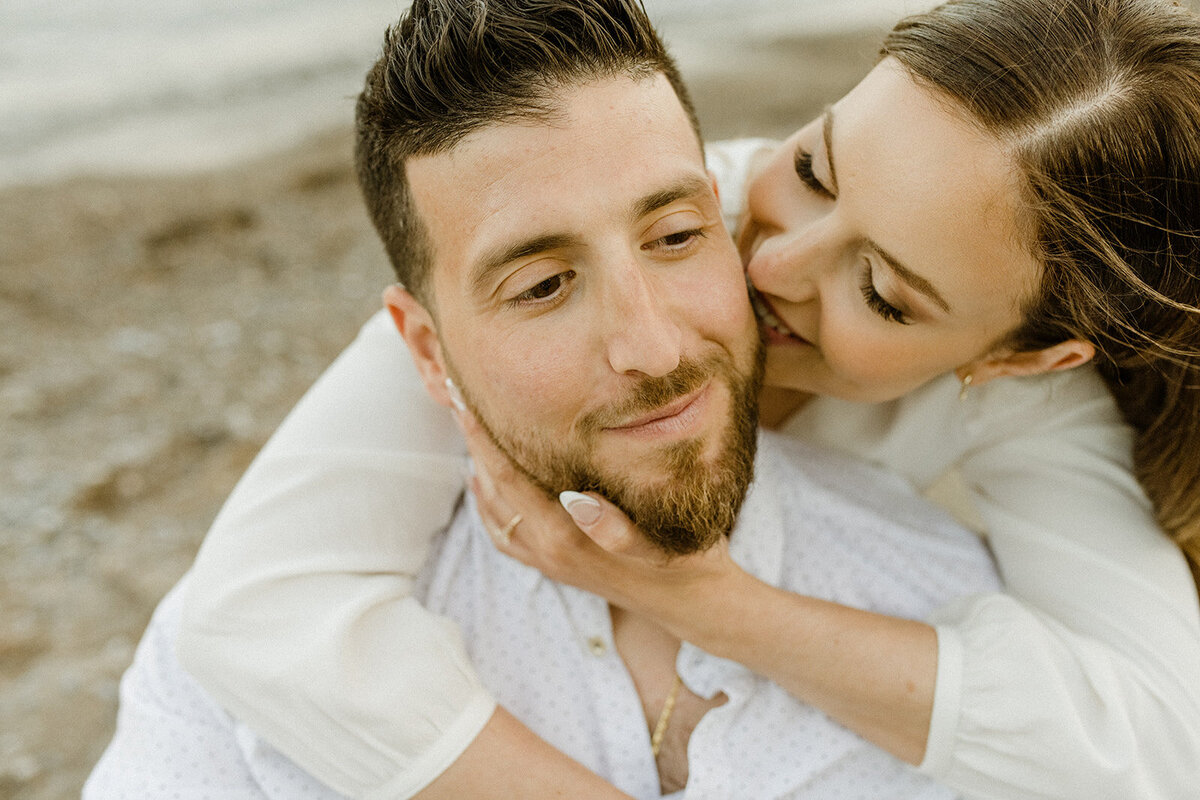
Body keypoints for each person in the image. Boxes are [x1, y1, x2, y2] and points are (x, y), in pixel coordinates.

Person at [178, 0, 1200, 797]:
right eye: (815, 168)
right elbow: (256, 609)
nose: (774, 263)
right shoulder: (621, 208)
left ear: (1021, 359)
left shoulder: (1019, 401)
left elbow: (1154, 742)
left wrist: (702, 599)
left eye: (882, 293)